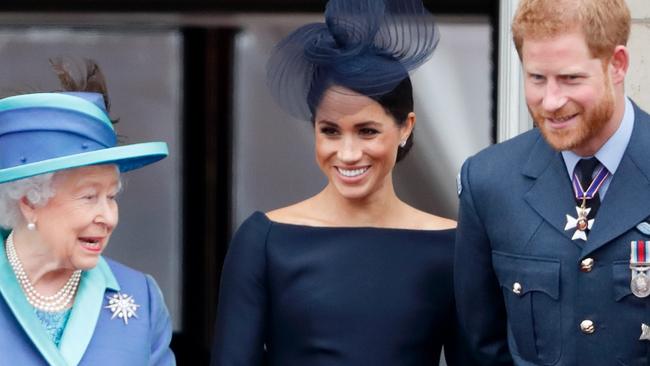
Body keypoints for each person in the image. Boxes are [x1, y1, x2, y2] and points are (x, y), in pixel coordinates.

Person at [211, 0, 476, 365]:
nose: (348, 153)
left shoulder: (452, 248)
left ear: (406, 127)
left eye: (367, 131)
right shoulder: (265, 240)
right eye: (330, 131)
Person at [454, 0, 647, 364]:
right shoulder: (490, 181)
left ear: (617, 65)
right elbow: (478, 347)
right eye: (537, 78)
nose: (551, 101)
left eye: (570, 78)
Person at [0, 60, 176, 365]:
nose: (108, 218)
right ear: (29, 202)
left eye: (111, 196)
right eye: (89, 196)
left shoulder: (141, 297)